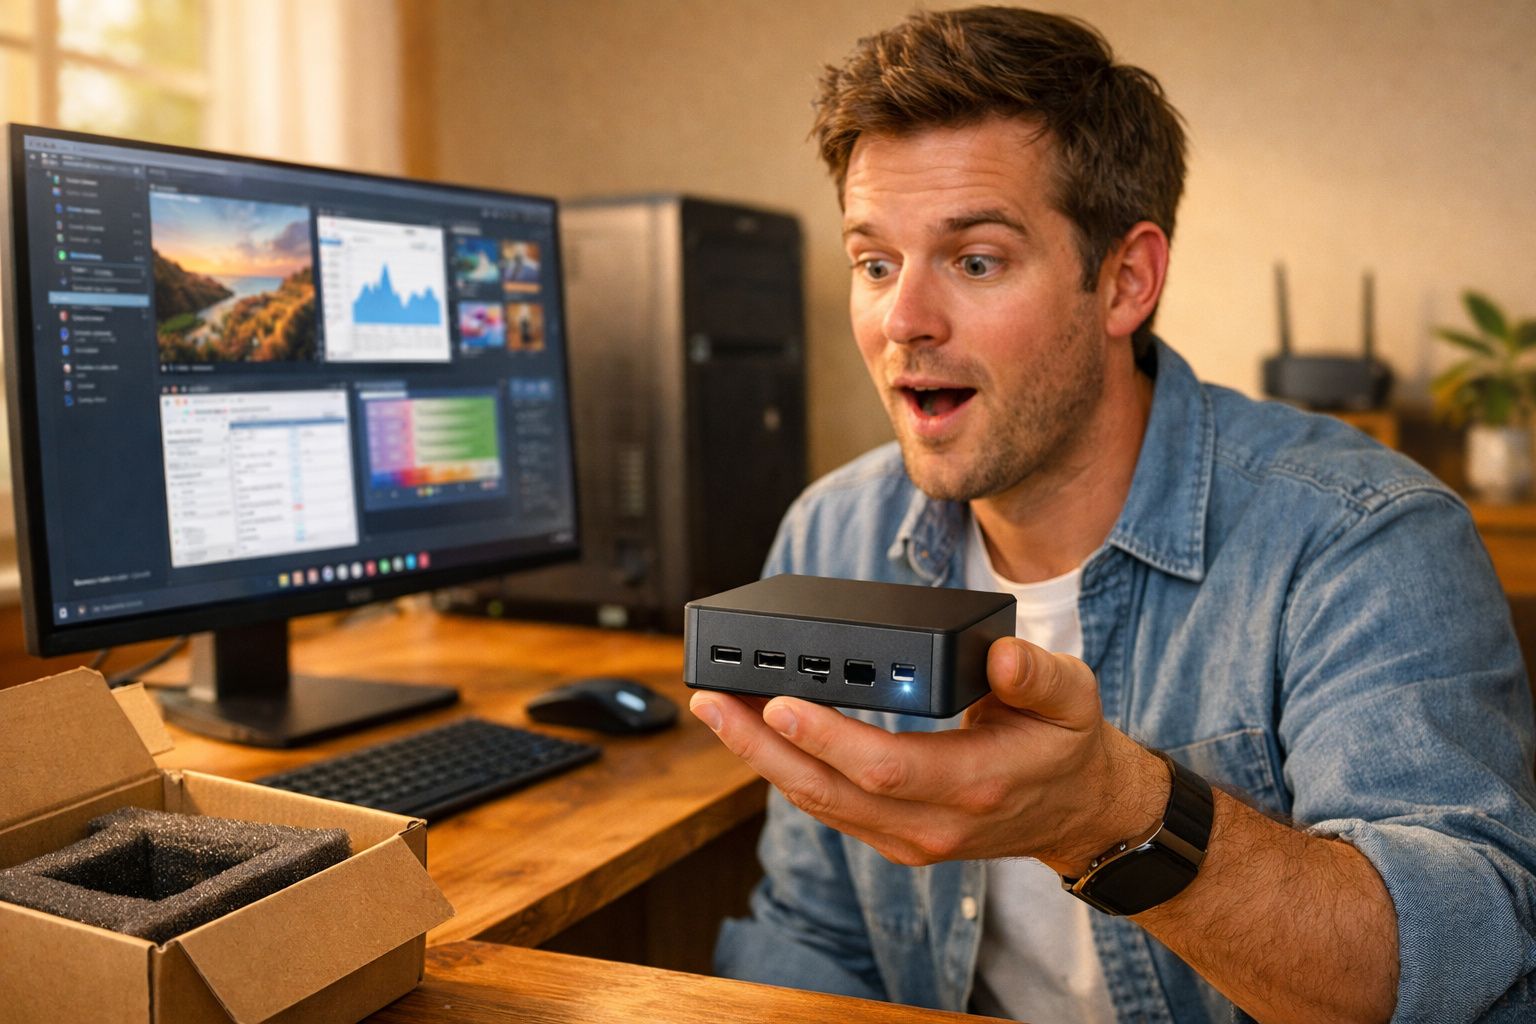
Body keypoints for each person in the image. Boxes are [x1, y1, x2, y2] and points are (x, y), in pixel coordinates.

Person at [687, 7, 1536, 1023]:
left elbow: (1463, 975)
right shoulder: (832, 535)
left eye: (976, 260)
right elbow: (813, 939)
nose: (903, 320)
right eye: (875, 263)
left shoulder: (1365, 538)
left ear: (1126, 281)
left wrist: (1109, 813)